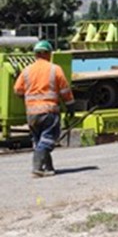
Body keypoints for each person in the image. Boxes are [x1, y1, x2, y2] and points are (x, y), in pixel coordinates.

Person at [13, 40, 75, 177]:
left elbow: (17, 90)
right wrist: (70, 106)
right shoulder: (55, 69)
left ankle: (48, 168)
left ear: (35, 55)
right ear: (49, 54)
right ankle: (37, 168)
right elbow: (65, 91)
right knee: (48, 140)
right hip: (49, 111)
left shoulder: (27, 70)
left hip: (32, 114)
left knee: (39, 140)